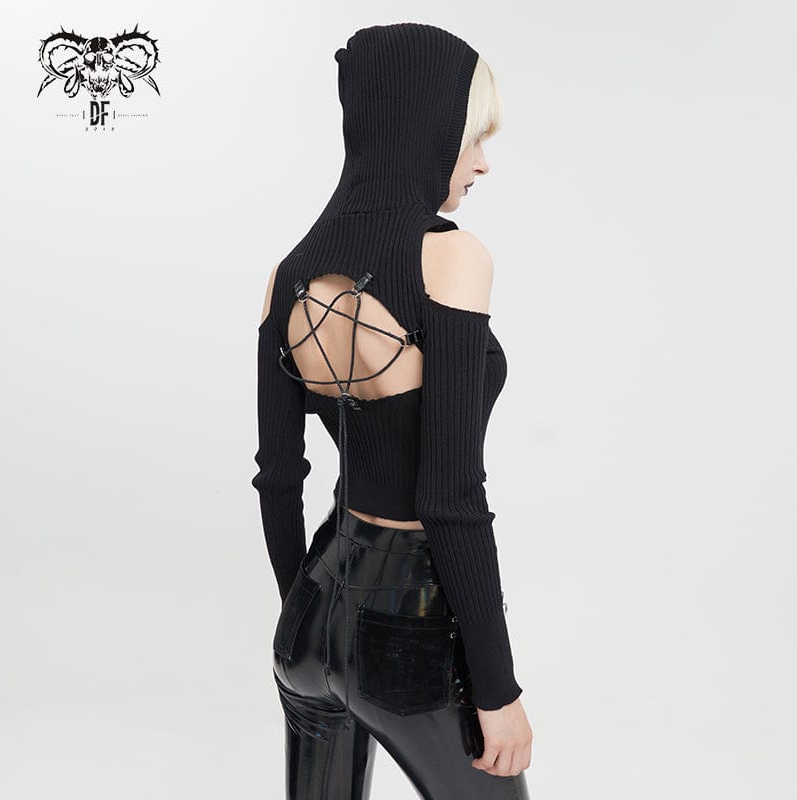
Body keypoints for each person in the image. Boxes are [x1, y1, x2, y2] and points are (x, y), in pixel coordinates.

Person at [252, 22, 533, 799]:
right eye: (471, 136)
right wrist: (497, 689)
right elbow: (450, 498)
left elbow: (279, 480)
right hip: (409, 619)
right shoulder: (449, 257)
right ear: (424, 128)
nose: (481, 162)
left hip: (310, 609)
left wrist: (311, 619)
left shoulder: (289, 273)